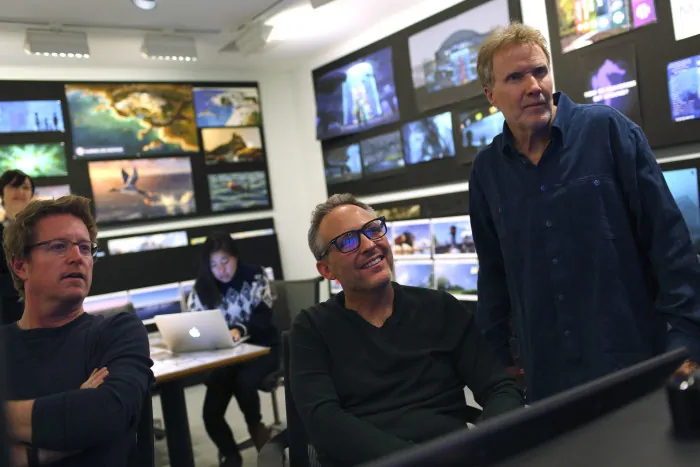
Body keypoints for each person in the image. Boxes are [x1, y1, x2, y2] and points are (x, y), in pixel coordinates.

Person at [469, 22, 700, 403]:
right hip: (549, 381)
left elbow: (671, 247)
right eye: (515, 77)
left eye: (539, 71)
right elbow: (494, 276)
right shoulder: (487, 171)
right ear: (490, 94)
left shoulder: (607, 131)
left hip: (636, 364)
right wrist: (498, 369)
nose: (534, 87)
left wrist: (685, 344)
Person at [290, 194, 524, 467]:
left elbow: (499, 387)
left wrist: (485, 442)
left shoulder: (440, 308)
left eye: (373, 230)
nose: (369, 244)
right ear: (326, 269)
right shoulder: (311, 328)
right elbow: (323, 422)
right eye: (348, 241)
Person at [0, 195, 153, 467]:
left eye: (85, 248)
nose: (77, 258)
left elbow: (107, 413)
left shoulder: (117, 332)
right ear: (20, 265)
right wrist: (64, 430)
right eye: (59, 246)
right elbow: (86, 422)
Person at [187, 232, 278, 467]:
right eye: (214, 264)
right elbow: (196, 323)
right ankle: (231, 454)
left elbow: (264, 318)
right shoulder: (203, 287)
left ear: (236, 257)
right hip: (225, 357)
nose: (221, 269)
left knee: (243, 383)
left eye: (225, 261)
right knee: (210, 414)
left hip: (262, 347)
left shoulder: (255, 275)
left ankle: (256, 429)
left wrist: (238, 329)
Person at [0, 170, 35, 326]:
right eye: (14, 186)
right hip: (8, 318)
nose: (20, 191)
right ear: (1, 194)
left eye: (25, 187)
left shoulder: (45, 232)